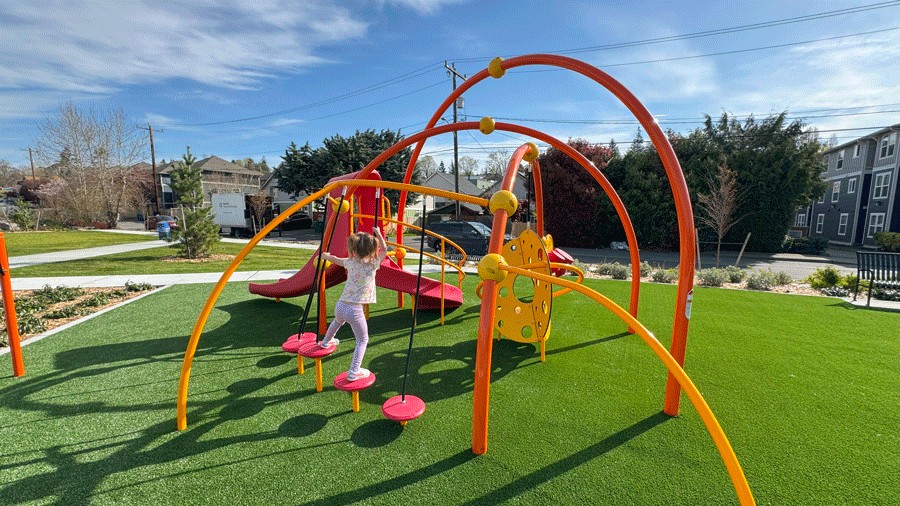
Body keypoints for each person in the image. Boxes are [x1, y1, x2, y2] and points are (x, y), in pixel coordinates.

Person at [319, 228, 387, 381]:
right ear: (372, 250)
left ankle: (326, 341)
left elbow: (335, 259)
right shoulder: (373, 264)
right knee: (362, 339)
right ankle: (354, 371)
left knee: (337, 321)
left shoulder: (350, 262)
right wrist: (379, 234)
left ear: (353, 250)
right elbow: (385, 249)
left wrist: (325, 256)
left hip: (341, 304)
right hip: (354, 309)